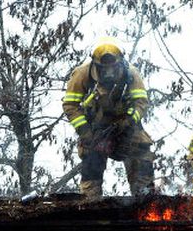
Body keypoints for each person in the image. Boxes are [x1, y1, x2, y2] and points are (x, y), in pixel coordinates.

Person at [62, 36, 154, 199]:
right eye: (104, 69)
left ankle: (145, 199)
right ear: (96, 65)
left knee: (141, 152)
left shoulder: (131, 74)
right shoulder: (82, 74)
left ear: (120, 63)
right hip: (96, 128)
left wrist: (129, 121)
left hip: (125, 125)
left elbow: (141, 102)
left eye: (113, 68)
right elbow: (70, 105)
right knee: (91, 160)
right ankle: (90, 202)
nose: (109, 72)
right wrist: (85, 132)